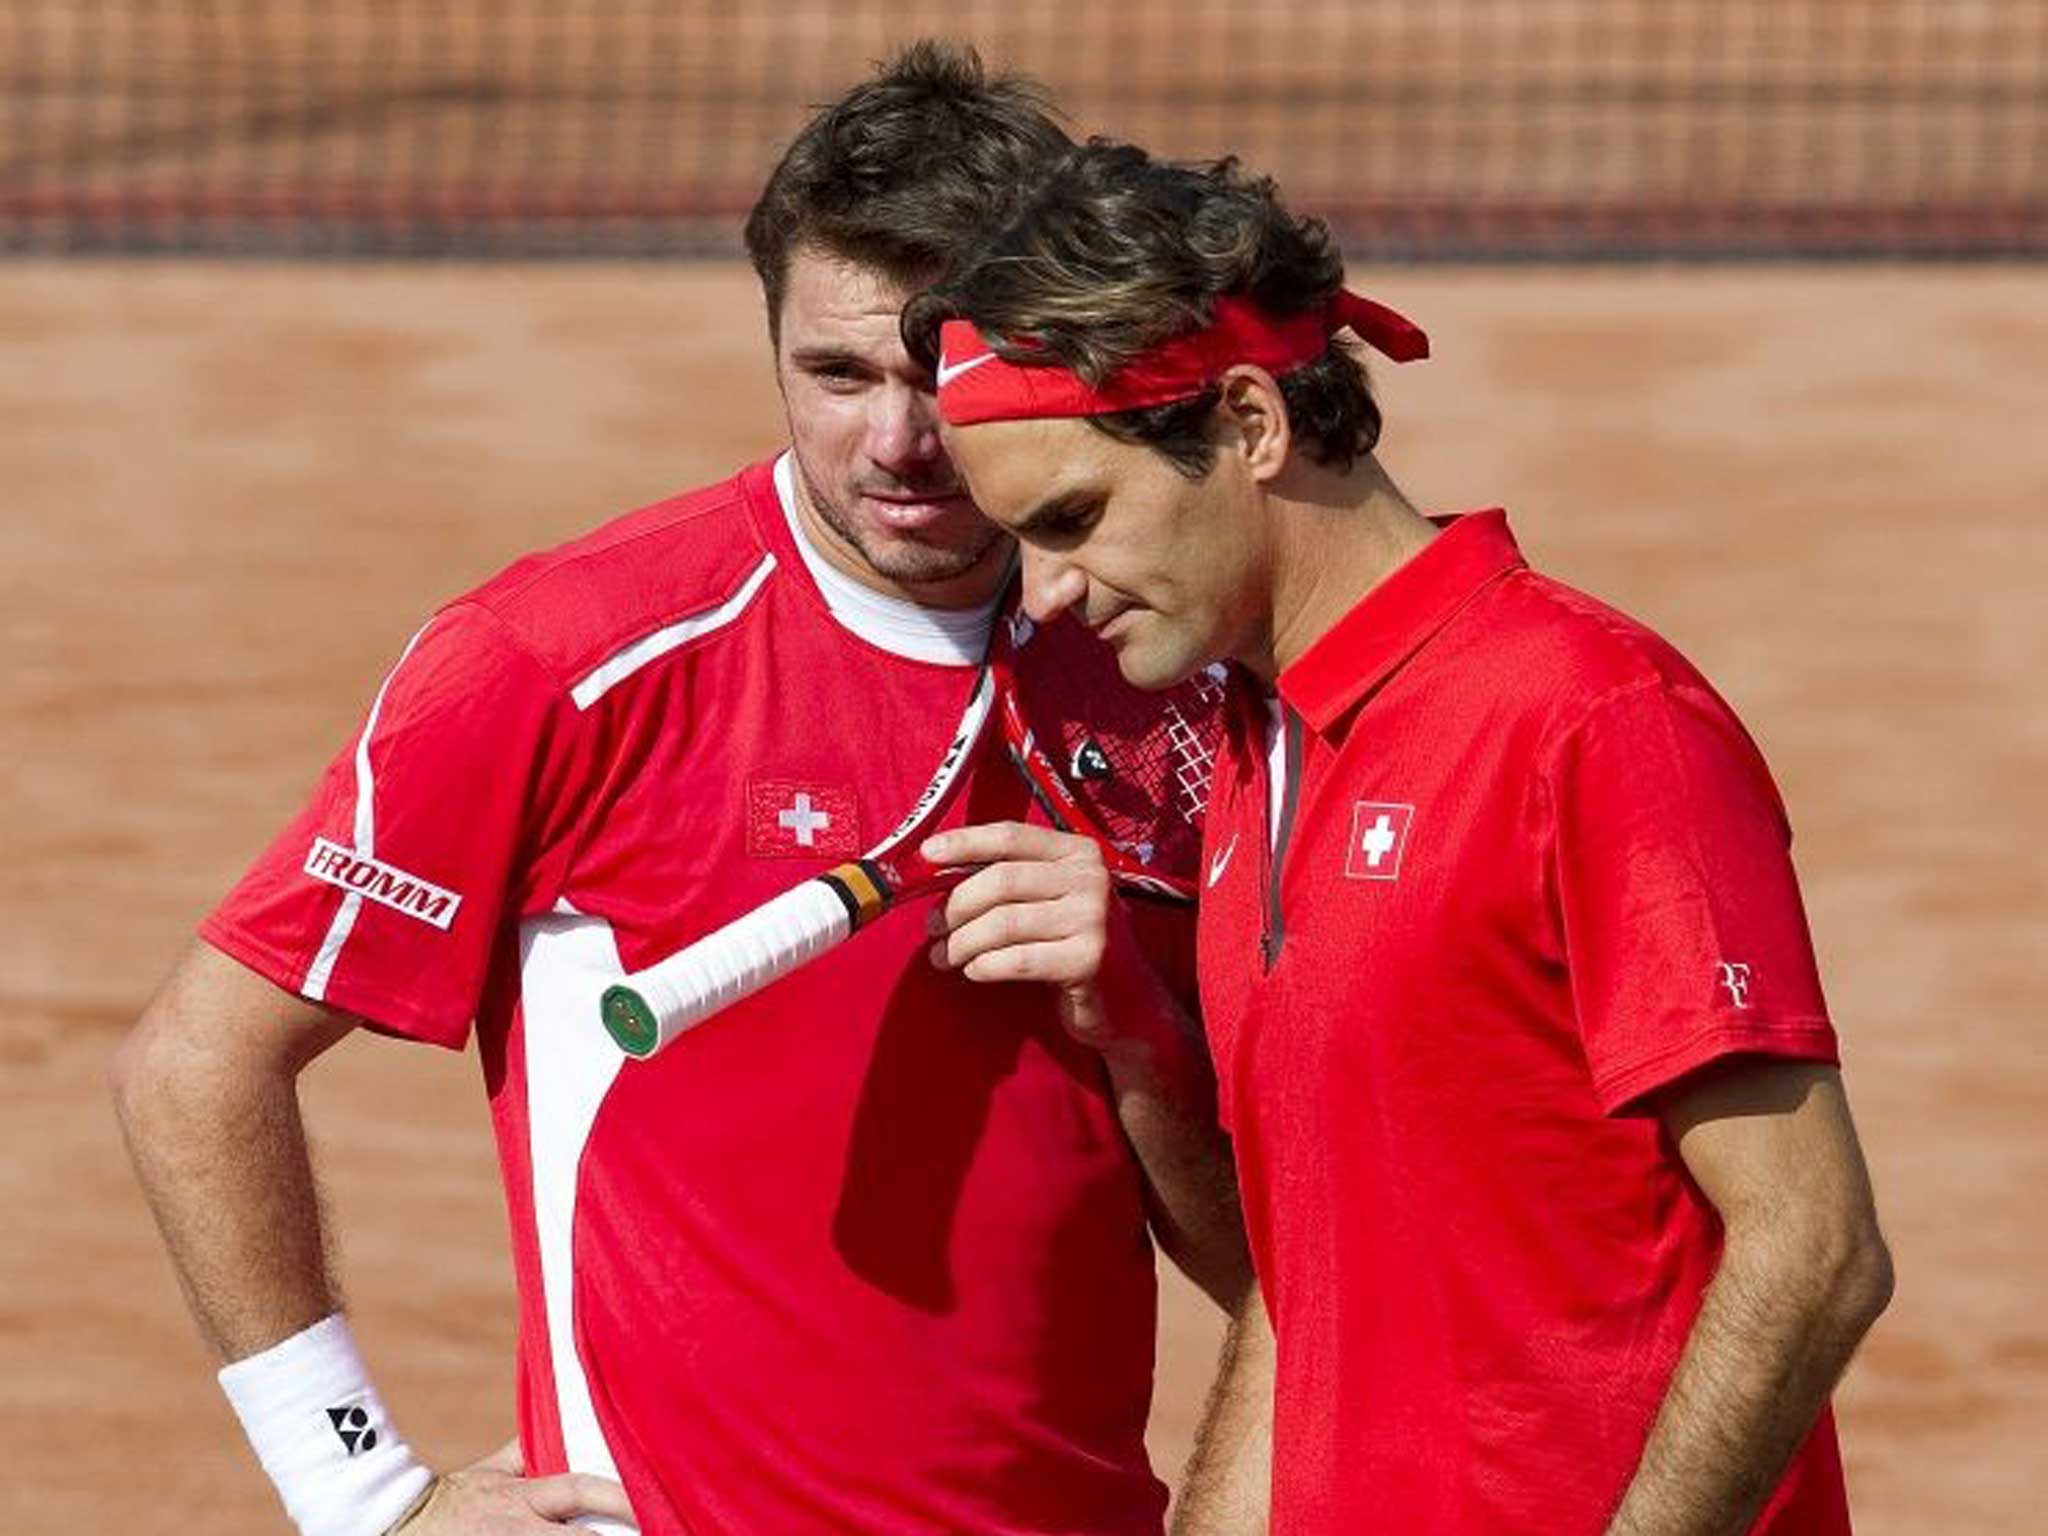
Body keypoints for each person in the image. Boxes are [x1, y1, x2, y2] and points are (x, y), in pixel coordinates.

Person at [112, 51, 1251, 1536]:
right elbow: (195, 1068)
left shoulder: (1175, 671)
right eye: (835, 375)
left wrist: (1143, 1035)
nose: (897, 443)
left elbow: (1268, 1267)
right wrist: (361, 1491)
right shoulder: (562, 661)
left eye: (940, 374)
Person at [909, 142, 1894, 1535]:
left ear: (1250, 423)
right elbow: (1308, 1293)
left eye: (1075, 519)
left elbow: (1813, 1249)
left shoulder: (1589, 719)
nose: (1053, 595)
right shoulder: (1258, 758)